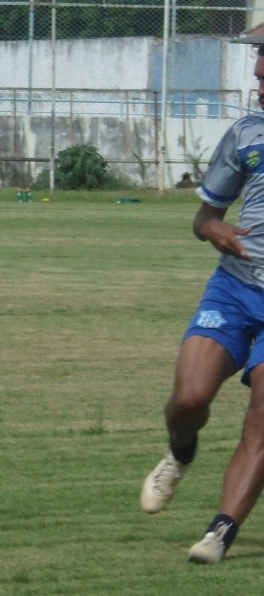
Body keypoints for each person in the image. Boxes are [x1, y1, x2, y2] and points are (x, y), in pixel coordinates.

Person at [140, 43, 264, 564]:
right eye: (258, 77)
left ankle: (220, 531)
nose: (259, 87)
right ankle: (181, 450)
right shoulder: (246, 133)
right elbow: (203, 218)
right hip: (234, 286)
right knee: (189, 399)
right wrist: (213, 227)